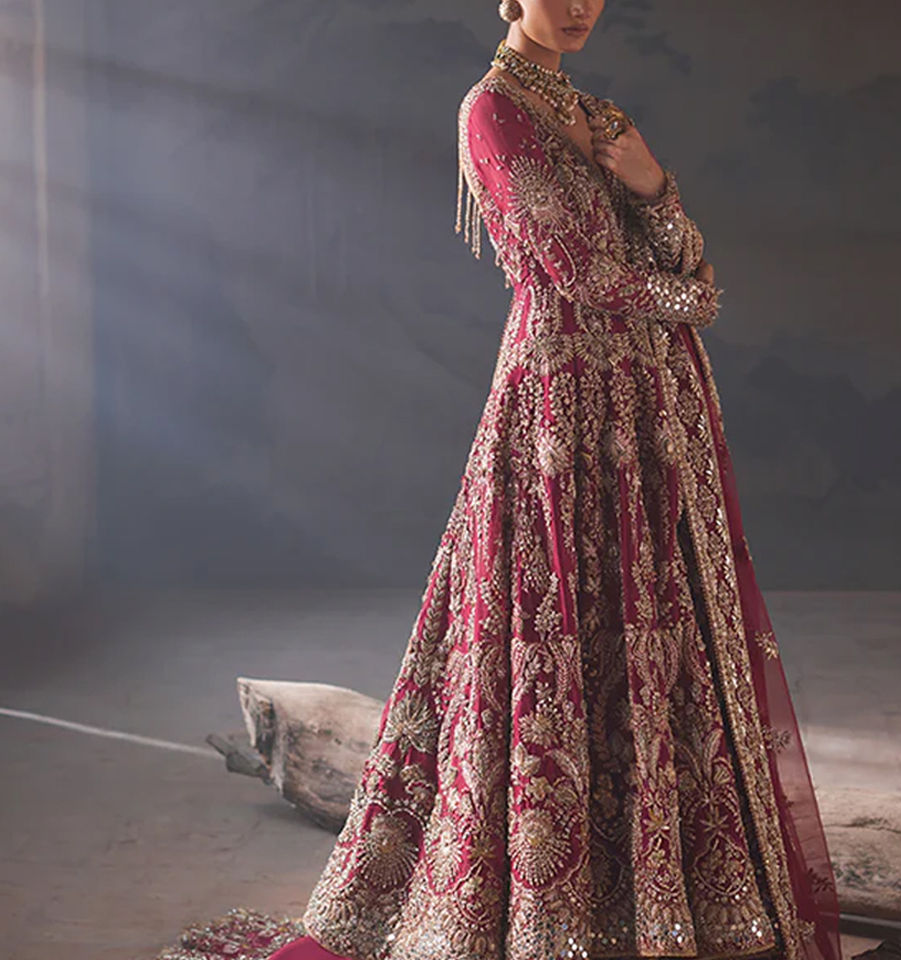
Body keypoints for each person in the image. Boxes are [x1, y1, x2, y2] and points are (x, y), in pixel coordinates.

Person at [267, 3, 842, 959]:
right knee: (553, 632)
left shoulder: (604, 117)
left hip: (647, 416)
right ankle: (550, 910)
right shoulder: (492, 111)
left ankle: (657, 900)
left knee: (653, 638)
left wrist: (655, 186)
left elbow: (673, 247)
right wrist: (697, 300)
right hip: (559, 414)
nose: (579, 5)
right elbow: (582, 272)